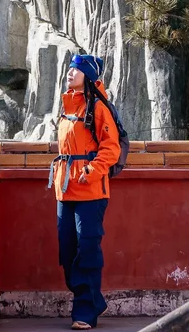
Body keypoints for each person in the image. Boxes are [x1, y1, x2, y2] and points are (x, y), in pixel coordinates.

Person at [49, 55, 121, 331]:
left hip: (91, 191)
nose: (69, 73)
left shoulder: (99, 108)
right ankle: (92, 298)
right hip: (64, 189)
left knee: (87, 249)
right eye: (69, 69)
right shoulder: (68, 106)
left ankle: (85, 310)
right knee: (67, 250)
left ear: (88, 76)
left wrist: (92, 169)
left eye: (75, 70)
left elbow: (111, 148)